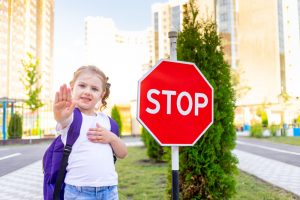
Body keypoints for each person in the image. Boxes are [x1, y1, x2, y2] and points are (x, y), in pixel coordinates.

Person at [54, 65, 128, 199]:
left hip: (109, 190)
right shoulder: (71, 117)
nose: (88, 91)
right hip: (78, 191)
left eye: (94, 89)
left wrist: (112, 138)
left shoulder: (108, 122)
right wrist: (59, 114)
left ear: (102, 93)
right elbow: (62, 119)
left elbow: (123, 153)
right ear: (72, 86)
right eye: (82, 86)